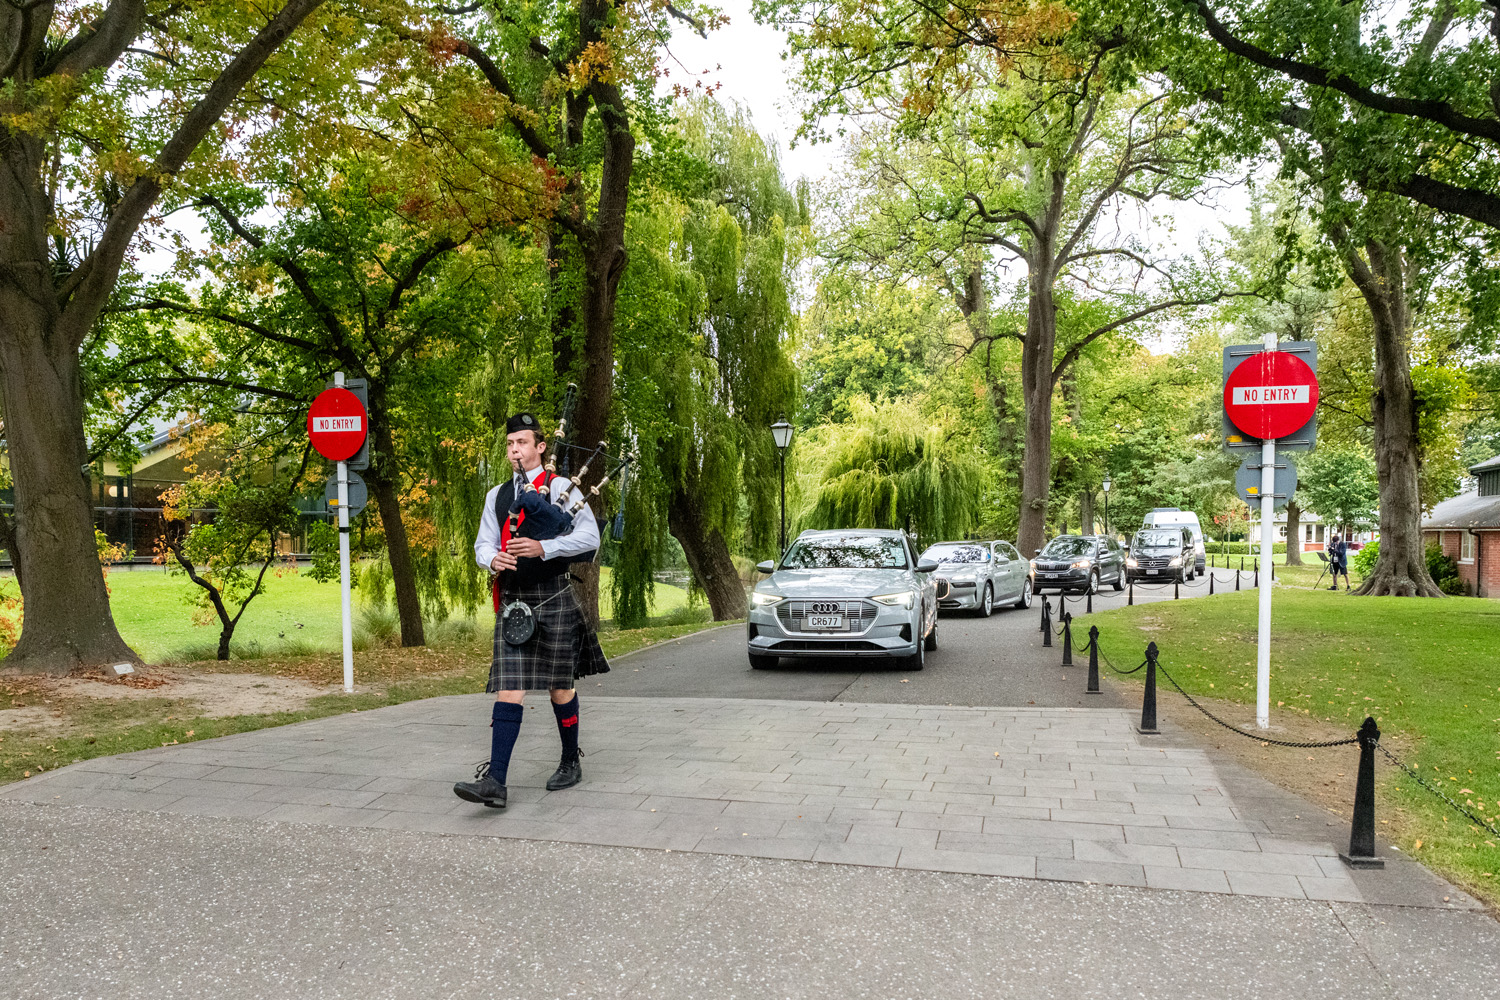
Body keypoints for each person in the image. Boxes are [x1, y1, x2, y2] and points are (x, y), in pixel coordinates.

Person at [452, 412, 609, 809]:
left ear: (540, 447)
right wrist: (492, 560)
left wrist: (545, 548)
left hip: (553, 595)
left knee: (560, 687)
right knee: (510, 686)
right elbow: (482, 544)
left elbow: (589, 537)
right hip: (513, 600)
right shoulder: (498, 495)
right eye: (509, 444)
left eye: (522, 442)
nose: (514, 450)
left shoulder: (563, 488)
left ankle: (570, 759)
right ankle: (495, 782)